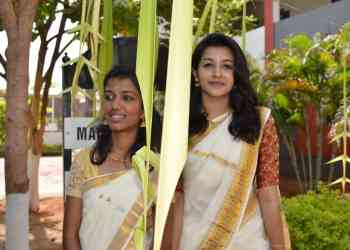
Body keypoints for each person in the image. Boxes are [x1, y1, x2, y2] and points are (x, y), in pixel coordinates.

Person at [173, 33, 290, 250]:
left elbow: (268, 193)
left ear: (235, 74)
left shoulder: (259, 121)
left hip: (248, 240)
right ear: (195, 74)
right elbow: (177, 198)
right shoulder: (179, 127)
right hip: (193, 241)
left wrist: (279, 247)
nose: (217, 73)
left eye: (226, 66)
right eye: (208, 65)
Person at [63, 65, 161, 250]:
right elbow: (69, 234)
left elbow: (161, 238)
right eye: (109, 97)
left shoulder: (155, 167)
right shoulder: (84, 161)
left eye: (127, 98)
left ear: (142, 112)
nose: (115, 105)